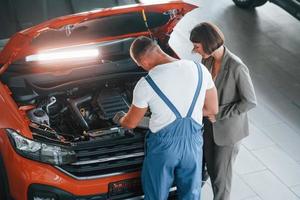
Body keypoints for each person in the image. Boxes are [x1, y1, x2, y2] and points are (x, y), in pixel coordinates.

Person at [113, 36, 218, 200]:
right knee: (191, 194)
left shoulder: (146, 84)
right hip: (193, 144)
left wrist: (120, 119)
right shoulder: (199, 69)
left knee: (157, 194)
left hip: (164, 149)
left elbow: (131, 123)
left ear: (144, 62)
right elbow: (212, 109)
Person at [190, 22, 257, 200]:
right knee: (211, 172)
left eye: (197, 46)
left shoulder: (237, 67)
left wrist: (216, 113)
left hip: (227, 133)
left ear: (207, 43)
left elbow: (250, 102)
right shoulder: (207, 60)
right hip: (208, 127)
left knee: (221, 181)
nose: (194, 50)